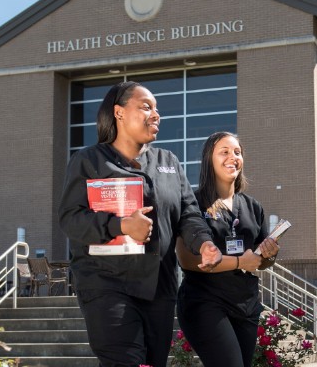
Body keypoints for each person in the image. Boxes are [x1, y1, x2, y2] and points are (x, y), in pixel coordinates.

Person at [58, 81, 221, 367]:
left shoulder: (168, 161)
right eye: (146, 107)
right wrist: (119, 226)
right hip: (107, 285)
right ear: (118, 112)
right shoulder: (88, 160)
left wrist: (204, 243)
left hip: (160, 287)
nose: (156, 115)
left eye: (157, 109)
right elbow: (70, 219)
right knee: (126, 361)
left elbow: (189, 215)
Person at [176, 131, 280, 367]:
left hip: (245, 304)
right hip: (205, 302)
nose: (232, 157)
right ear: (208, 160)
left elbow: (261, 262)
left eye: (237, 152)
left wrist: (269, 255)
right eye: (224, 151)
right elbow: (187, 260)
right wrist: (240, 262)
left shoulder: (253, 207)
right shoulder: (193, 203)